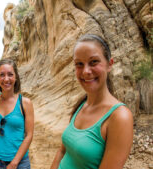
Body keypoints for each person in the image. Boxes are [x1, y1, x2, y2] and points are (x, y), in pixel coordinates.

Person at [50, 34, 133, 169]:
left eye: (94, 62)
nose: (86, 71)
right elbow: (62, 151)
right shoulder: (81, 105)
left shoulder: (120, 117)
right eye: (79, 64)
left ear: (109, 64)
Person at [0, 59, 34, 169]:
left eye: (10, 74)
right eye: (2, 75)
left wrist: (14, 163)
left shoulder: (25, 103)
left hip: (20, 163)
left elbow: (29, 135)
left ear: (16, 77)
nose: (6, 79)